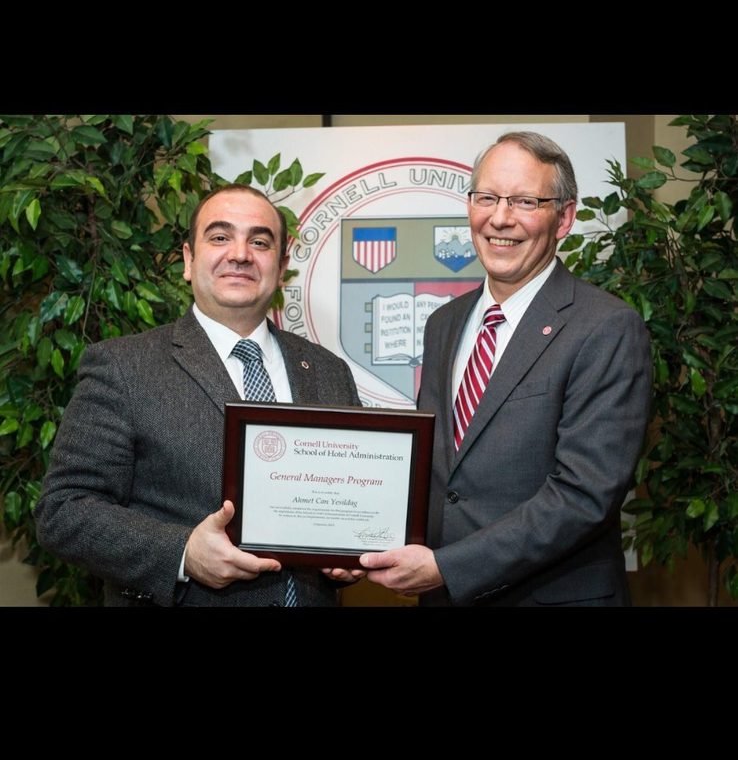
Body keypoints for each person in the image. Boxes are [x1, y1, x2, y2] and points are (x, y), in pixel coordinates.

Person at [358, 131, 653, 605]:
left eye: (525, 201)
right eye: (487, 198)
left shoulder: (606, 328)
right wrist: (351, 540)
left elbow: (584, 496)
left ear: (564, 218)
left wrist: (447, 568)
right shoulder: (444, 323)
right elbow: (434, 469)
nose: (500, 218)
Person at [35, 185, 363, 606]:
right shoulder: (122, 366)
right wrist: (183, 552)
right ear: (189, 260)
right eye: (220, 237)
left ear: (281, 268)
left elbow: (347, 507)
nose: (241, 254)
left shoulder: (328, 371)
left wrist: (350, 555)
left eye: (259, 242)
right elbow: (64, 510)